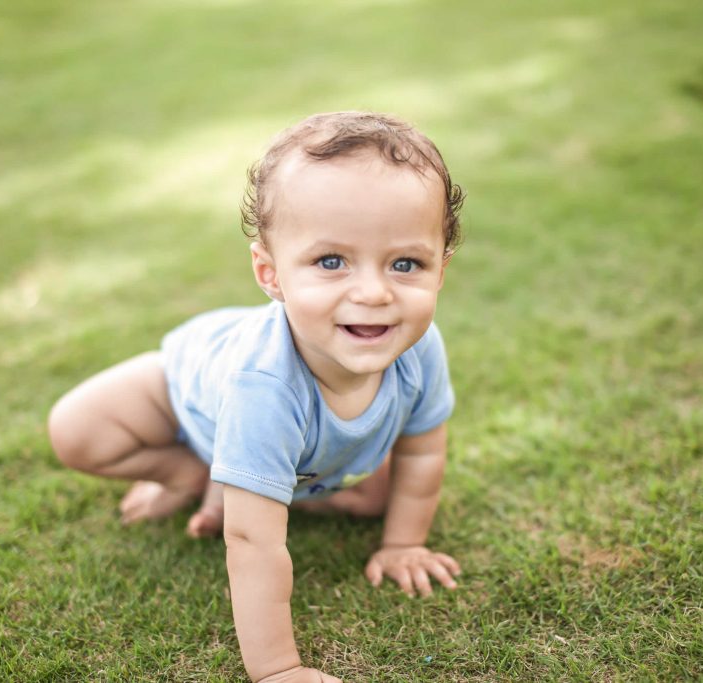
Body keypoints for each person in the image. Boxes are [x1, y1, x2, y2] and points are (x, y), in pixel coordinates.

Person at [48, 111, 465, 683]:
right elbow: (251, 540)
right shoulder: (262, 386)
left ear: (440, 270)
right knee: (75, 430)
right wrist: (277, 670)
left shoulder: (420, 348)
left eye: (404, 263)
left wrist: (402, 544)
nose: (373, 292)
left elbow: (422, 452)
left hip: (276, 432)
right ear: (270, 274)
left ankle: (241, 476)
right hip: (187, 389)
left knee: (378, 498)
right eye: (331, 261)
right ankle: (196, 471)